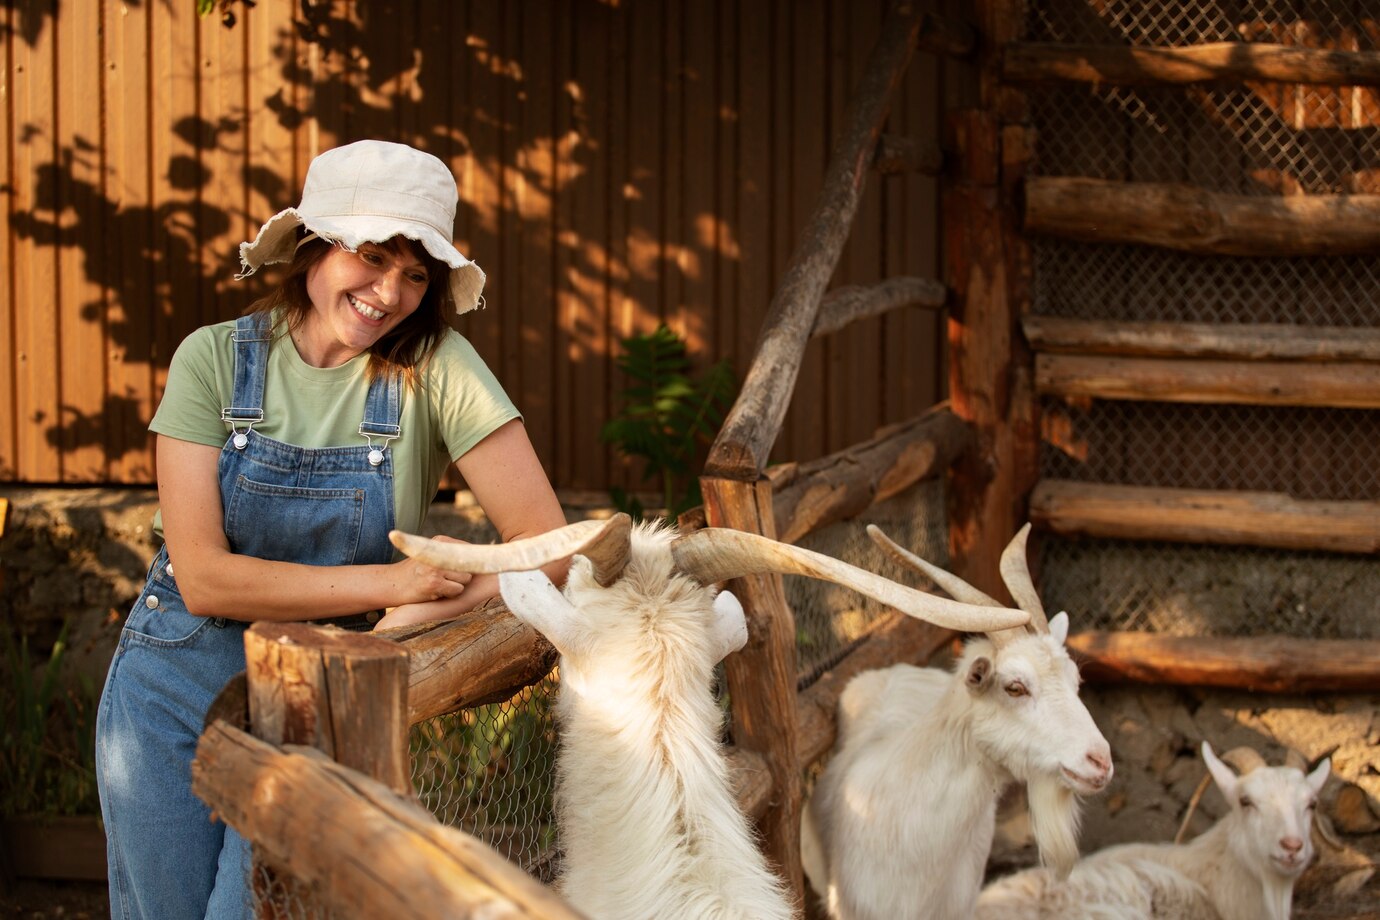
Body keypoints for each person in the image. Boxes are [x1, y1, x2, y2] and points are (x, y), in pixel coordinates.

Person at [95, 139, 567, 919]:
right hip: (174, 677)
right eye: (374, 257)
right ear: (312, 246)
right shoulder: (211, 360)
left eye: (417, 274)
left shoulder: (437, 366)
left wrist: (433, 607)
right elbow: (207, 579)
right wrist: (394, 581)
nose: (391, 293)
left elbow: (545, 547)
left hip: (327, 693)